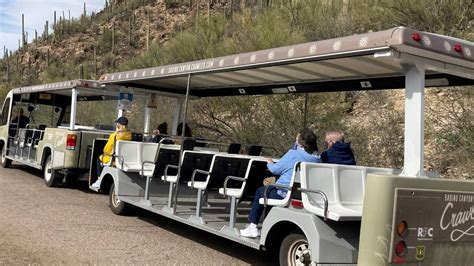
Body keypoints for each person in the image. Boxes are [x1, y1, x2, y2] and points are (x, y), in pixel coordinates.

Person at [240, 128, 321, 238]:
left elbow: (275, 170)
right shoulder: (317, 158)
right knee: (266, 190)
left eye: (296, 140)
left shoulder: (294, 154)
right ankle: (263, 226)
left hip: (282, 191)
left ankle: (252, 226)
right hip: (299, 193)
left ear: (300, 142)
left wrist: (270, 162)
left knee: (260, 192)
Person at [91, 117, 132, 189]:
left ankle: (99, 179)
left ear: (118, 125)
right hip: (124, 158)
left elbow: (107, 148)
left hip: (113, 158)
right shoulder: (129, 135)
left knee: (99, 159)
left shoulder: (115, 135)